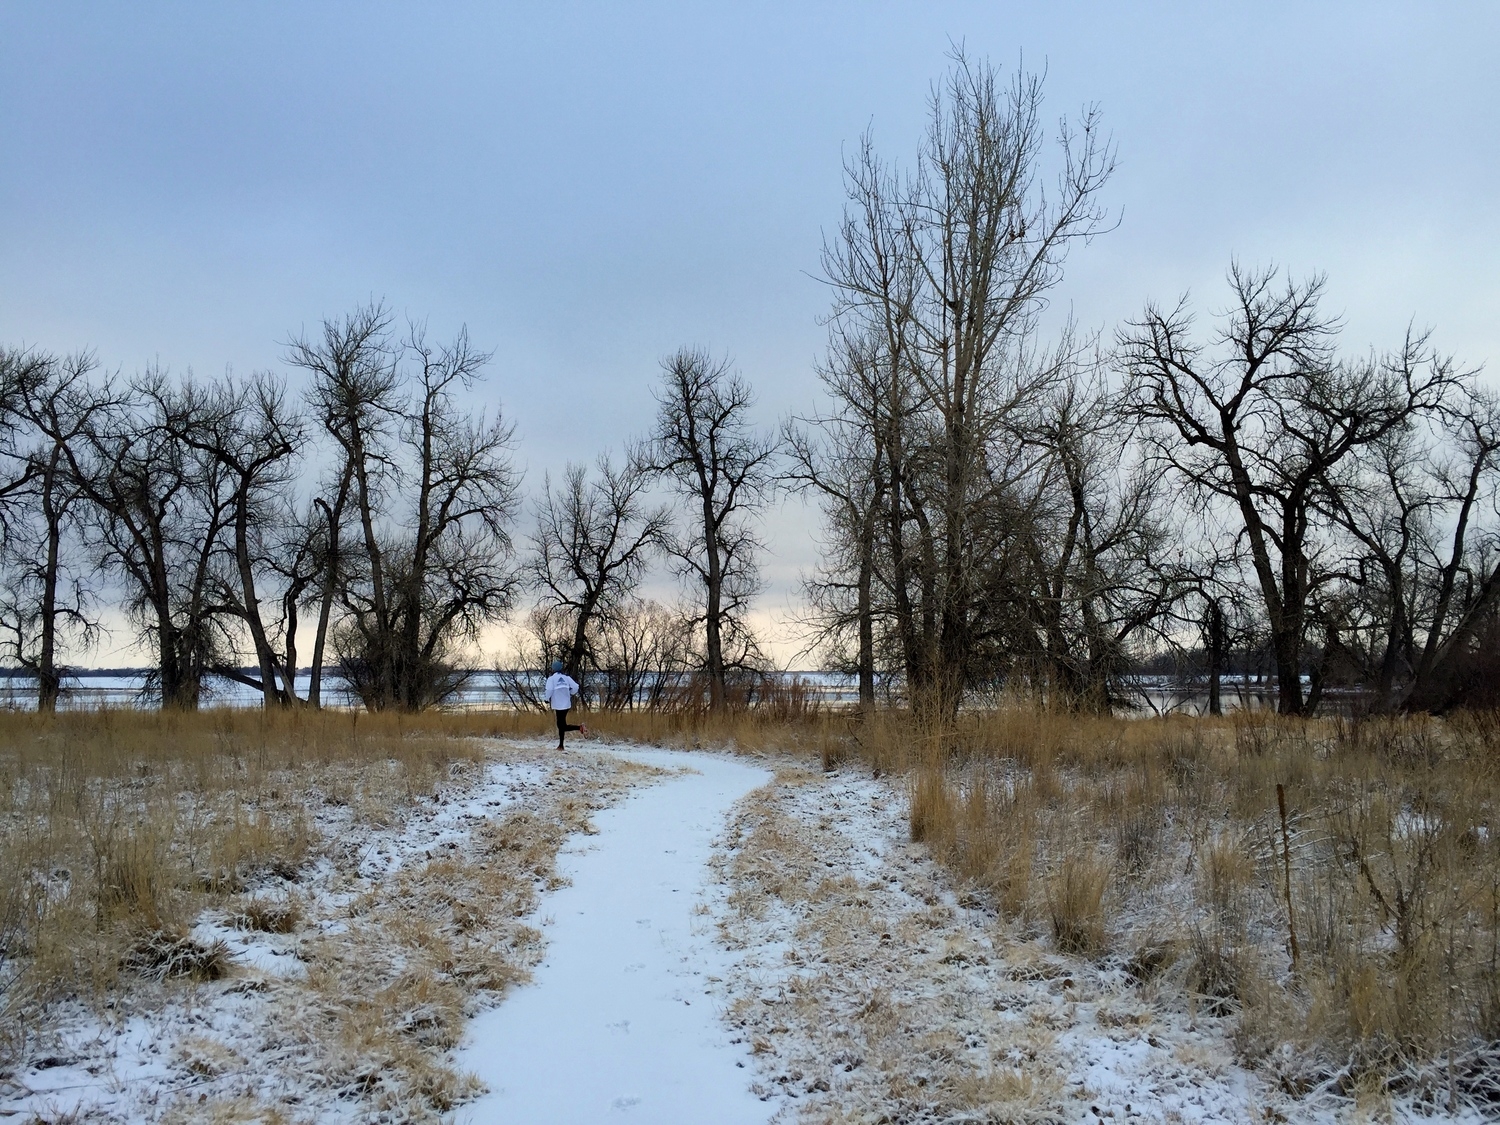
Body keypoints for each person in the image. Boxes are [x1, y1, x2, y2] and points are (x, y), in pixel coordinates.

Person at [544, 659, 587, 749]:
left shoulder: (551, 679)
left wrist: (547, 699)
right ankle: (561, 745)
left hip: (558, 705)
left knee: (561, 725)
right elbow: (576, 687)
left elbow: (549, 690)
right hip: (566, 704)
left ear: (553, 669)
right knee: (561, 724)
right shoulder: (567, 678)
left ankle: (579, 727)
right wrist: (571, 693)